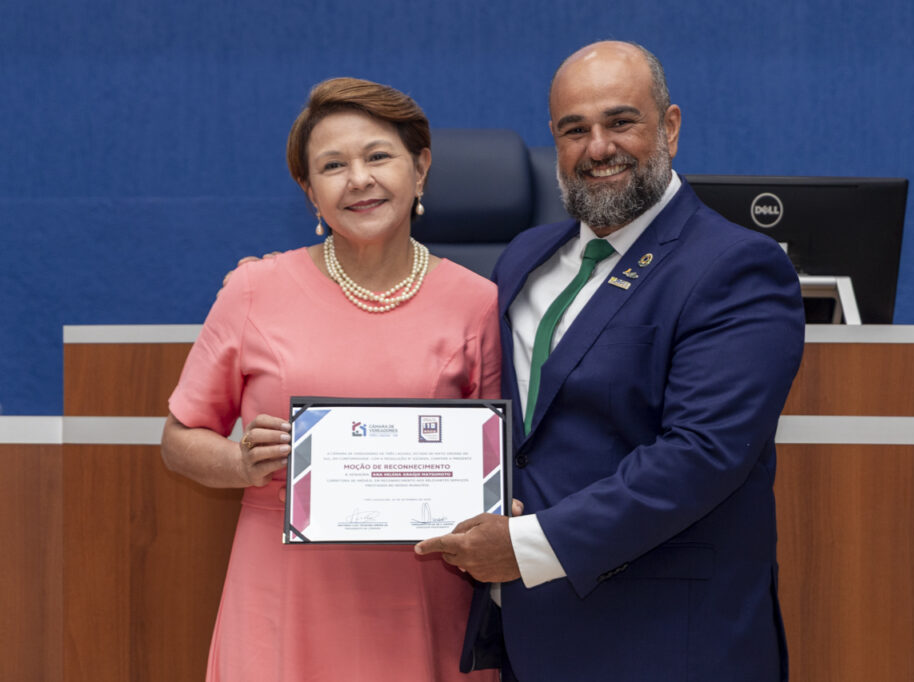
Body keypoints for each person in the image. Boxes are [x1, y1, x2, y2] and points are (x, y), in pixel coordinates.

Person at [415, 41, 806, 681]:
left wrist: (524, 547)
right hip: (532, 638)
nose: (598, 148)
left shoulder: (737, 266)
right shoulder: (525, 256)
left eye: (621, 122)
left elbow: (702, 454)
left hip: (667, 642)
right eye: (575, 130)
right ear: (555, 141)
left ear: (670, 127)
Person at [161, 77, 500, 681]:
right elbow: (178, 439)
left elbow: (500, 461)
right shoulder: (252, 291)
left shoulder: (478, 303)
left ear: (420, 168)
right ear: (309, 191)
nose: (359, 179)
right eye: (333, 165)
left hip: (422, 593)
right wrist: (241, 464)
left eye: (378, 156)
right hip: (282, 596)